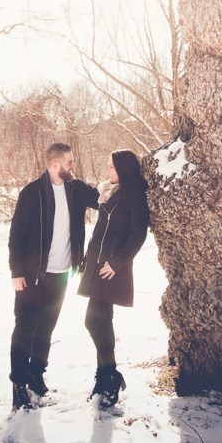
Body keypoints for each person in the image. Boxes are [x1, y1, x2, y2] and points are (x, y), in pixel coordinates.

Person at [8, 142, 99, 411]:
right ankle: (18, 385)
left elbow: (104, 200)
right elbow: (16, 236)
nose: (74, 166)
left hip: (62, 274)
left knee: (46, 329)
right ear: (54, 165)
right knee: (24, 330)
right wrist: (16, 271)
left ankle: (36, 375)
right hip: (32, 276)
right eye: (69, 162)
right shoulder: (32, 193)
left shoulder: (76, 189)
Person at [78, 149, 150, 407]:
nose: (107, 170)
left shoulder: (134, 196)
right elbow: (100, 229)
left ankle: (110, 374)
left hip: (113, 267)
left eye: (111, 167)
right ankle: (105, 378)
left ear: (123, 169)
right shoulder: (109, 191)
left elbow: (138, 235)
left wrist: (117, 262)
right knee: (100, 321)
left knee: (93, 321)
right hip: (98, 263)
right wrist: (88, 255)